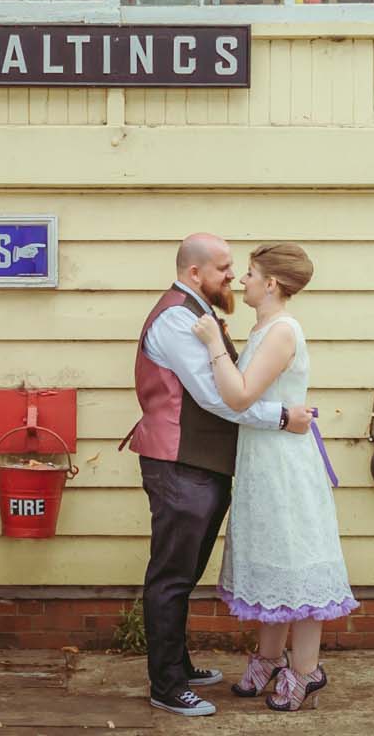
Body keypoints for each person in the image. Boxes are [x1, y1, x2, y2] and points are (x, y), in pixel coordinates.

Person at [126, 233, 314, 718]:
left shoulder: (199, 315)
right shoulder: (176, 317)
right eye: (224, 268)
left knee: (183, 573)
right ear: (195, 274)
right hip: (178, 464)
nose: (232, 275)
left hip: (201, 465)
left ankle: (179, 666)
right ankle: (166, 686)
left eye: (237, 268)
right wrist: (280, 418)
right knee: (171, 575)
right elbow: (216, 396)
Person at [195, 242, 358, 712]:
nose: (240, 281)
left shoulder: (283, 331)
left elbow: (241, 397)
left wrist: (211, 345)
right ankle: (268, 658)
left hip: (286, 466)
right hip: (262, 462)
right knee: (272, 563)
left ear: (271, 284)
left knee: (296, 562)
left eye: (249, 273)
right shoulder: (262, 327)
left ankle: (305, 671)